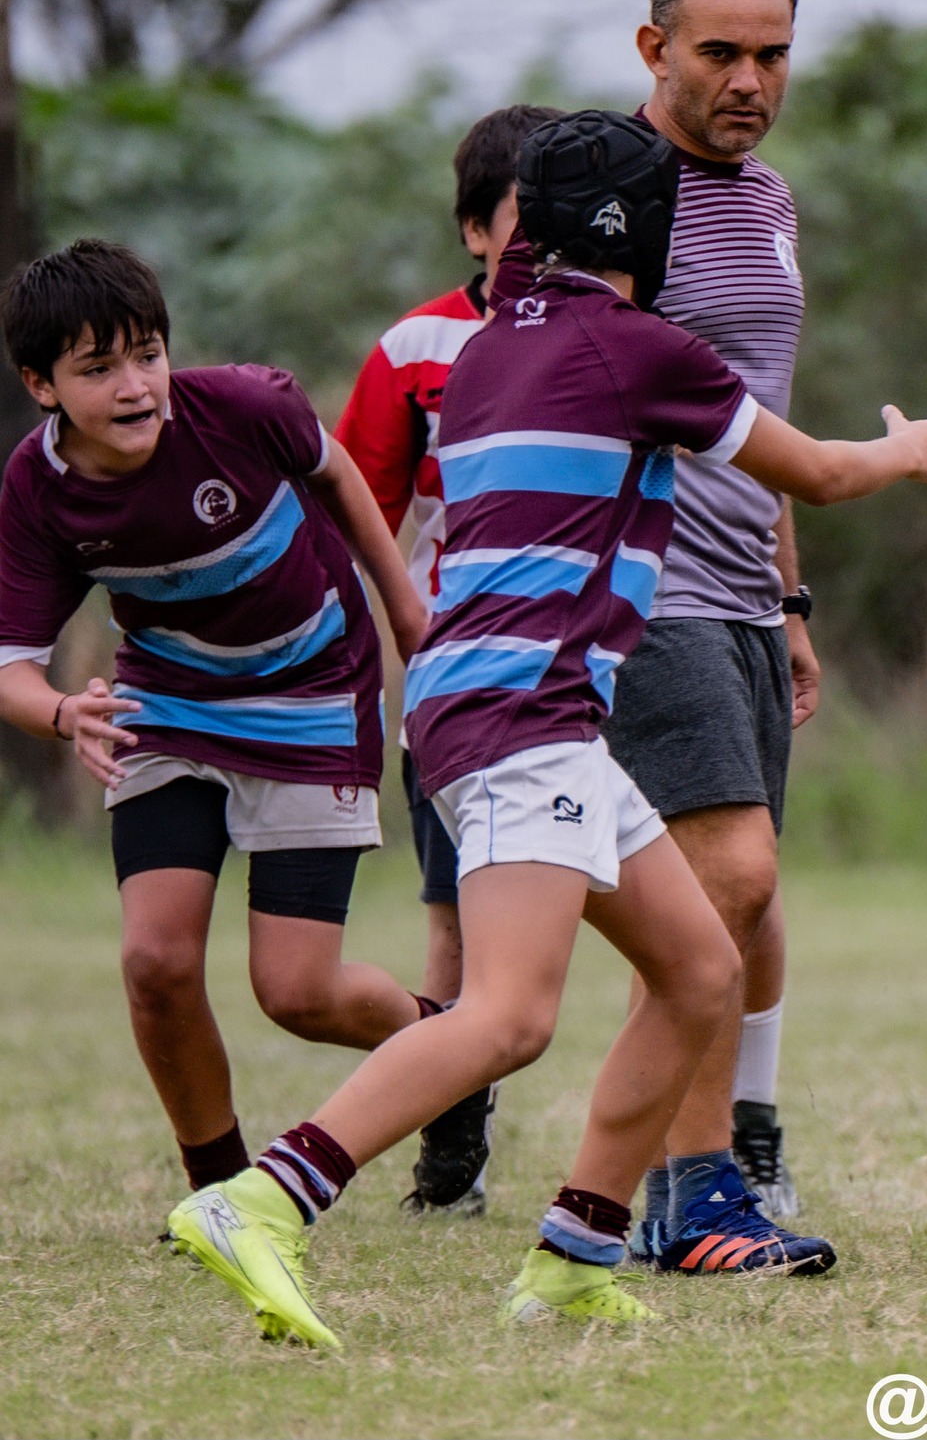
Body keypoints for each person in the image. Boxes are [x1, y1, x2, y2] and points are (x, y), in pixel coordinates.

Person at [164, 109, 927, 1344]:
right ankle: (265, 1199)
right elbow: (806, 472)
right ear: (642, 230)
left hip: (505, 706)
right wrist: (905, 449)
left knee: (700, 968)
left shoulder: (488, 344)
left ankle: (572, 1254)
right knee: (509, 1017)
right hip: (520, 714)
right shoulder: (637, 345)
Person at [0, 239, 432, 1200]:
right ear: (42, 385)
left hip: (318, 690)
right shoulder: (39, 489)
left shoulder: (244, 405)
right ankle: (220, 1193)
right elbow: (11, 669)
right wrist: (68, 711)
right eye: (98, 367)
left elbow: (340, 478)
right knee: (154, 962)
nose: (136, 385)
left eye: (147, 353)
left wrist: (402, 604)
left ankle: (449, 1047)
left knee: (297, 993)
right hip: (170, 705)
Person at [529, 0, 818, 1257]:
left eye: (771, 53)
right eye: (720, 52)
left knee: (742, 898)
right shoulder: (617, 198)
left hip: (744, 593)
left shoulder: (768, 200)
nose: (749, 79)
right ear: (654, 48)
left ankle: (684, 1184)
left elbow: (756, 413)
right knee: (728, 879)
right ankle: (686, 1189)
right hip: (643, 592)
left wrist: (792, 598)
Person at [335, 101, 563, 1218]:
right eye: (524, 220)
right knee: (451, 913)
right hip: (458, 675)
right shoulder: (413, 350)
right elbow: (361, 513)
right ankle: (452, 1155)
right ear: (475, 230)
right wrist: (392, 649)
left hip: (585, 670)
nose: (548, 240)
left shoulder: (608, 334)